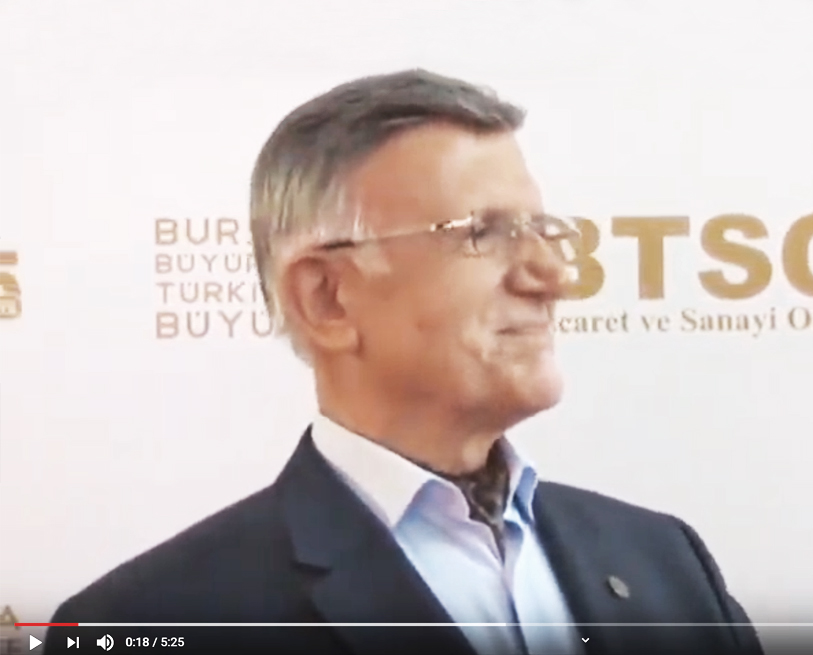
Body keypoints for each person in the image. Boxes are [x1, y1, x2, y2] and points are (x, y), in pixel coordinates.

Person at [45, 70, 762, 655]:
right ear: (327, 297)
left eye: (545, 230)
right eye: (484, 233)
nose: (553, 275)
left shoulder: (665, 561)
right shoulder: (149, 618)